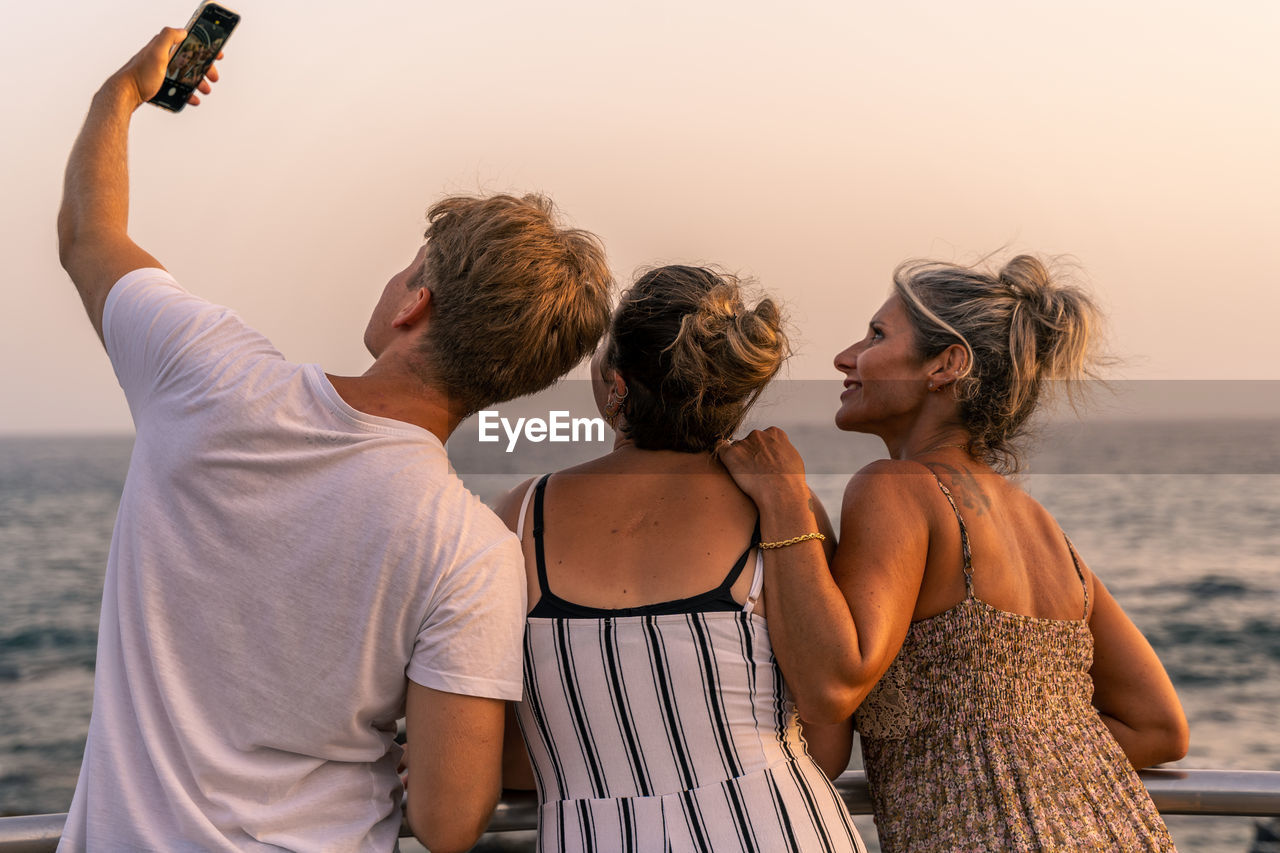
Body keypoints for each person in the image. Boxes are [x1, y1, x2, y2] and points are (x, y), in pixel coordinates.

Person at [56, 29, 612, 852]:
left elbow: (87, 236)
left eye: (407, 267)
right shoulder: (473, 555)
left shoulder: (209, 377)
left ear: (413, 304)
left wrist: (122, 94)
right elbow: (449, 820)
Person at [725, 254, 1189, 851]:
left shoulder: (896, 487)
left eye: (876, 335)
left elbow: (832, 687)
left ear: (945, 364)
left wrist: (786, 502)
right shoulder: (1040, 525)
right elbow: (1160, 727)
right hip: (1118, 830)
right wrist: (1018, 756)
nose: (846, 358)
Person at [495, 265, 867, 852]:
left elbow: (515, 748)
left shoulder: (521, 517)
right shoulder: (780, 509)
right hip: (777, 828)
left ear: (617, 385)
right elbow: (826, 744)